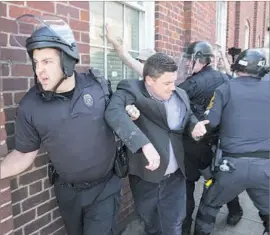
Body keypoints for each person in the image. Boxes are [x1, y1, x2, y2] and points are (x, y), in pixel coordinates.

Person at [0, 14, 122, 235]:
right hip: (68, 192)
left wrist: (130, 113)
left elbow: (118, 117)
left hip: (105, 187)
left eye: (47, 62)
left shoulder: (97, 86)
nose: (40, 70)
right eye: (36, 63)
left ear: (67, 60)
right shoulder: (30, 105)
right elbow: (23, 154)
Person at [105, 52, 209, 235]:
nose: (172, 87)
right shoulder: (132, 89)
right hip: (146, 178)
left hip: (176, 176)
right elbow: (114, 113)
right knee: (151, 224)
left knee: (174, 224)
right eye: (167, 83)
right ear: (149, 80)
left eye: (174, 81)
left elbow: (188, 117)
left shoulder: (181, 94)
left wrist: (194, 127)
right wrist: (143, 144)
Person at [194, 48, 270, 235]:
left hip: (231, 167)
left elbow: (209, 122)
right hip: (265, 167)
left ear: (237, 67)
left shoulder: (225, 88)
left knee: (208, 207)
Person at [177, 41, 243, 235]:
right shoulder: (223, 78)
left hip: (193, 144)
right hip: (215, 143)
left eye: (190, 60)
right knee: (218, 181)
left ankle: (185, 227)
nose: (187, 64)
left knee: (187, 186)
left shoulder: (192, 83)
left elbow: (173, 98)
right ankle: (235, 211)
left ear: (200, 59)